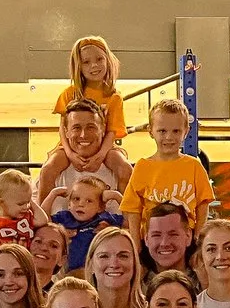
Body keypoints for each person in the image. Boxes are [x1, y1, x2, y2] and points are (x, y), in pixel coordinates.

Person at [124, 98, 214, 229]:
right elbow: (133, 209)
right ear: (151, 131)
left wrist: (199, 238)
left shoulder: (194, 166)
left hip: (185, 239)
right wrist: (135, 243)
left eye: (176, 131)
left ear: (186, 132)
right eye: (162, 131)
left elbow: (203, 204)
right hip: (152, 239)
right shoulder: (142, 166)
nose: (169, 137)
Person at [36, 100, 130, 215]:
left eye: (91, 127)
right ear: (66, 132)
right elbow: (39, 223)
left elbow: (129, 224)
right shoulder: (51, 170)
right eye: (76, 128)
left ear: (103, 129)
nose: (83, 135)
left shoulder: (120, 167)